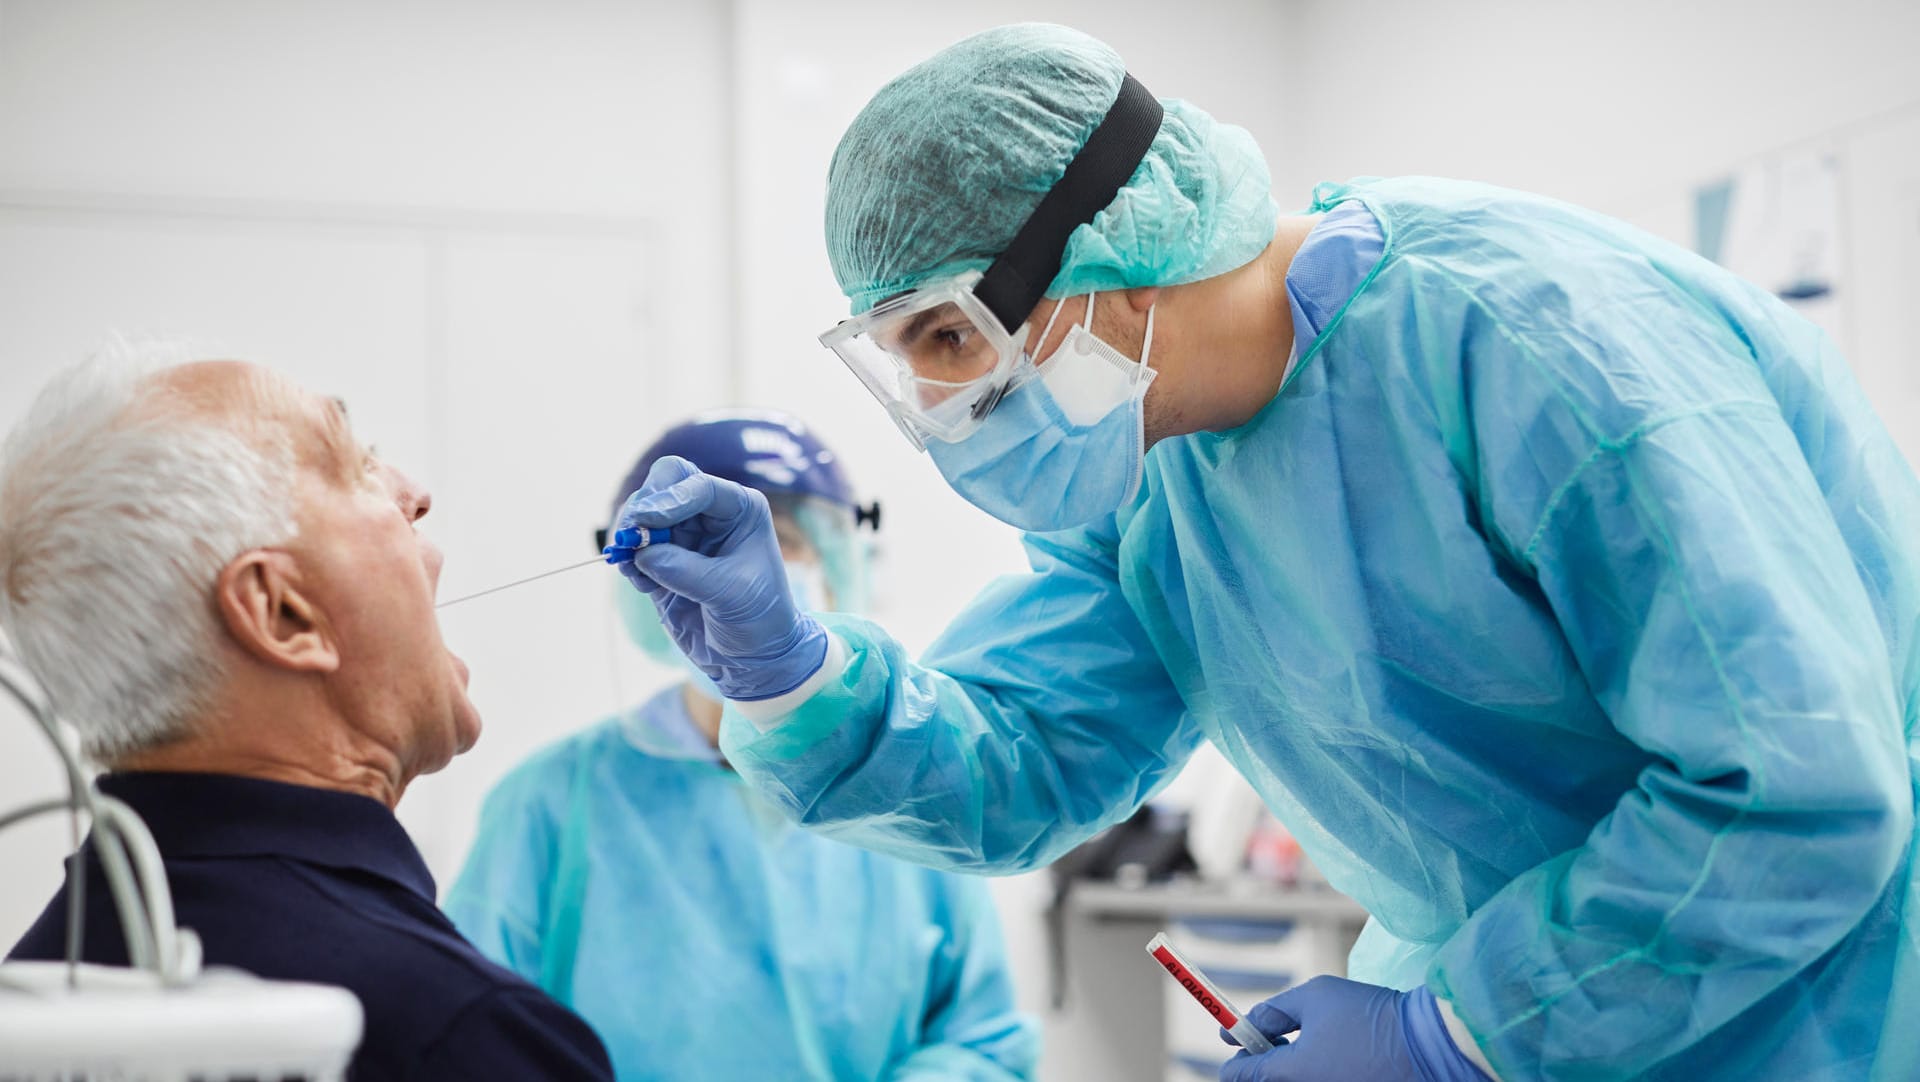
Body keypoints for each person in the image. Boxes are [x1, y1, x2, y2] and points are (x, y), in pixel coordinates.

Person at [606, 23, 1920, 1082]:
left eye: (949, 339)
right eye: (905, 359)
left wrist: (1451, 1035)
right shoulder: (1145, 471)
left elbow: (1797, 796)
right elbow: (1028, 757)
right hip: (1530, 1013)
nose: (946, 408)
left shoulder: (1536, 344)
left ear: (1107, 259)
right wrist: (786, 667)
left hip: (1818, 1006)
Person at [1, 348, 613, 1081]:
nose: (414, 494)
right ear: (284, 613)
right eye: (355, 464)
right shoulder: (457, 1034)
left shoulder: (41, 992)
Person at [445, 410, 1040, 1082]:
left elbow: (983, 1044)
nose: (744, 573)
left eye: (781, 540)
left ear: (845, 560)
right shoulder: (555, 801)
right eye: (704, 546)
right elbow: (471, 1034)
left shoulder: (908, 783)